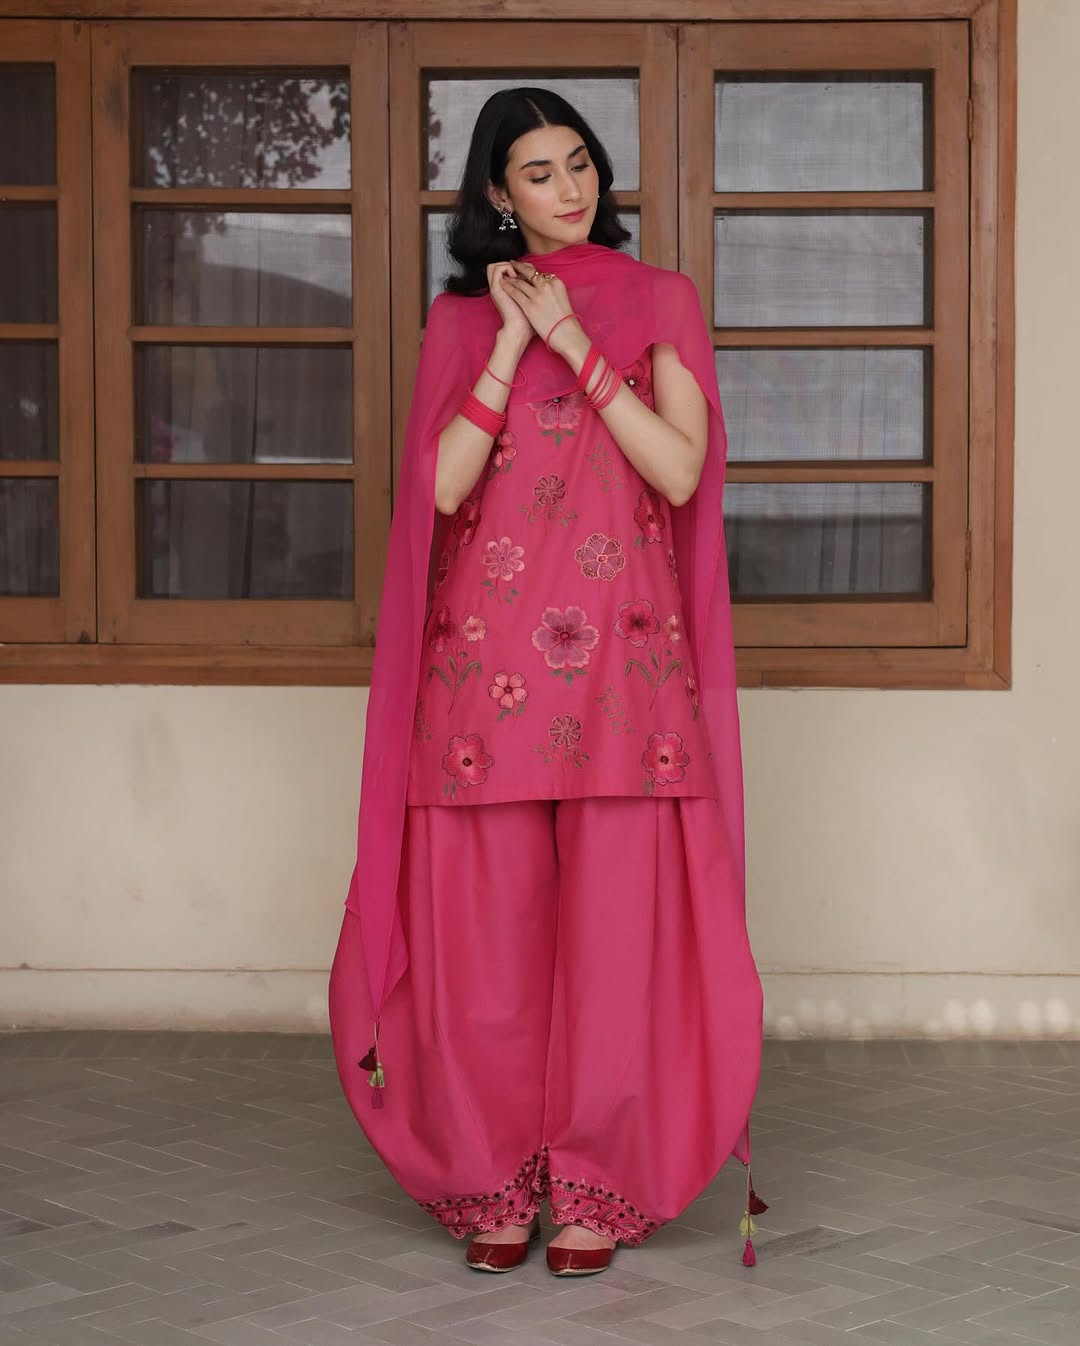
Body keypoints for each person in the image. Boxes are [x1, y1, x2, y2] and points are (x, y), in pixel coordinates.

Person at [329, 87, 763, 1278]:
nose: (570, 190)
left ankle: (598, 1182)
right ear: (494, 197)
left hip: (624, 674)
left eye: (579, 164)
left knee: (617, 944)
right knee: (485, 951)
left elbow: (680, 473)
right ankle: (493, 1177)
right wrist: (516, 340)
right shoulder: (460, 319)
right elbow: (446, 489)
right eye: (537, 172)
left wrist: (578, 343)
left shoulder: (657, 300)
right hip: (482, 678)